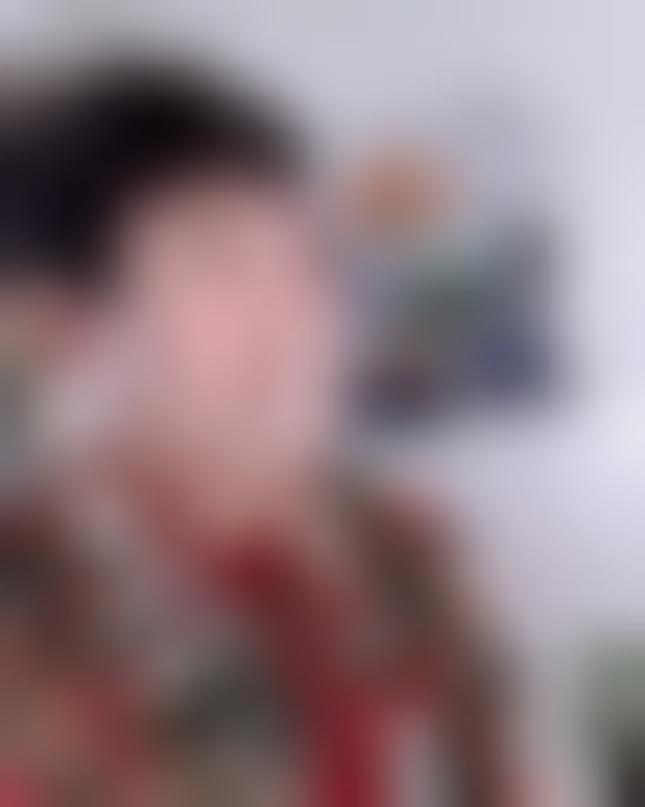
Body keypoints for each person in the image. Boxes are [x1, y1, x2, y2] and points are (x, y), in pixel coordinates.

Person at [2, 61, 522, 806]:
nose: (293, 314)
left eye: (308, 262)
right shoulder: (29, 615)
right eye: (219, 264)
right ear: (68, 326)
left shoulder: (405, 549)